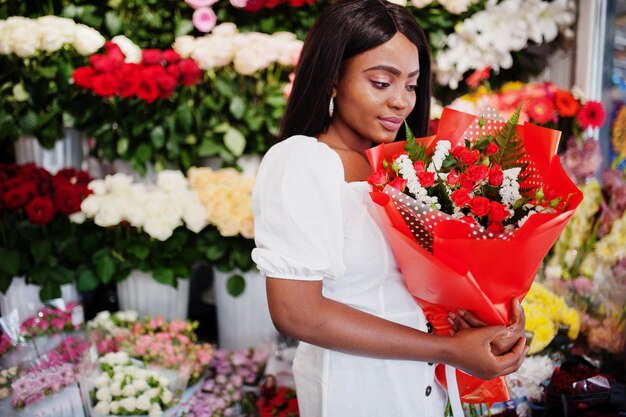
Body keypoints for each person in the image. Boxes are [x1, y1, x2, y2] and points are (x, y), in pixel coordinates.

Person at [251, 1, 528, 416]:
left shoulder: (407, 171)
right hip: (359, 391)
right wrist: (447, 349)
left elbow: (428, 289)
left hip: (426, 392)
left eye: (412, 85)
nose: (401, 101)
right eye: (382, 82)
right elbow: (297, 313)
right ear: (331, 80)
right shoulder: (303, 161)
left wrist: (496, 320)